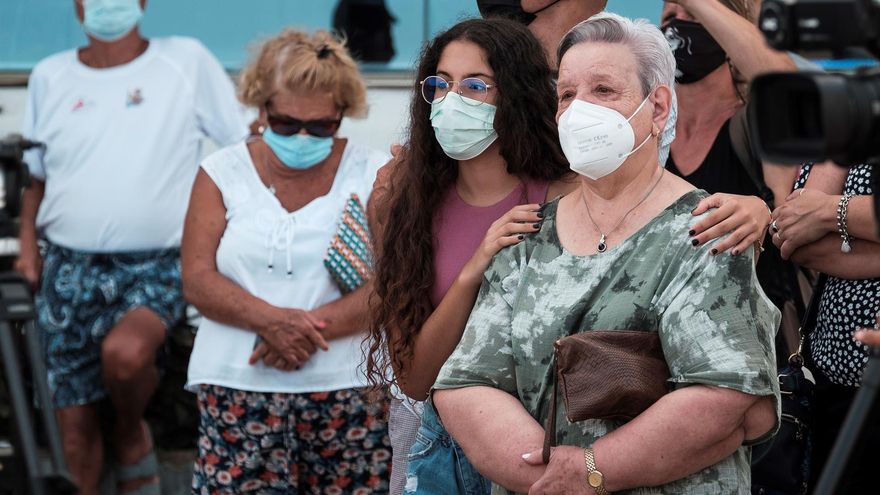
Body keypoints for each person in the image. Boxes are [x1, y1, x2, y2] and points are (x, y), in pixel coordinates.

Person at [433, 13, 780, 494]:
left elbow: (726, 394)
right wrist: (550, 478)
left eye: (603, 90)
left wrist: (590, 471)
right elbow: (466, 383)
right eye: (568, 94)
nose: (579, 110)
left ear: (657, 107)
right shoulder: (529, 233)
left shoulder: (707, 229)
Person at [16, 0, 247, 493]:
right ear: (75, 6)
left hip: (157, 263)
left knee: (127, 355)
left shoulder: (185, 59)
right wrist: (28, 247)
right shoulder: (50, 75)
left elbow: (240, 150)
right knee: (72, 439)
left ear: (143, 2)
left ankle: (128, 431)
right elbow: (33, 177)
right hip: (65, 266)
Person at [365, 17, 577, 495]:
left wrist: (752, 208)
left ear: (517, 95)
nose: (451, 100)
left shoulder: (566, 195)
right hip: (445, 454)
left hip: (547, 448)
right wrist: (474, 270)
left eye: (476, 86)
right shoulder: (406, 206)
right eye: (440, 84)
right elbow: (416, 378)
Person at [182, 29, 391, 494]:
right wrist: (273, 322)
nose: (302, 136)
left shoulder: (374, 171)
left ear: (342, 111)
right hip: (236, 387)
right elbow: (197, 278)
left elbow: (394, 283)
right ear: (260, 108)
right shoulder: (221, 172)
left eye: (320, 126)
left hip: (350, 388)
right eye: (285, 123)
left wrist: (296, 332)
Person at [660, 0, 810, 360]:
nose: (677, 26)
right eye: (668, 16)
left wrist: (760, 211)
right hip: (664, 346)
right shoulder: (648, 134)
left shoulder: (760, 123)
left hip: (754, 346)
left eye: (693, 18)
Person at [770, 161, 880, 493]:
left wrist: (829, 211)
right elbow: (792, 234)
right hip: (831, 383)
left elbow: (812, 211)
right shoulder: (853, 119)